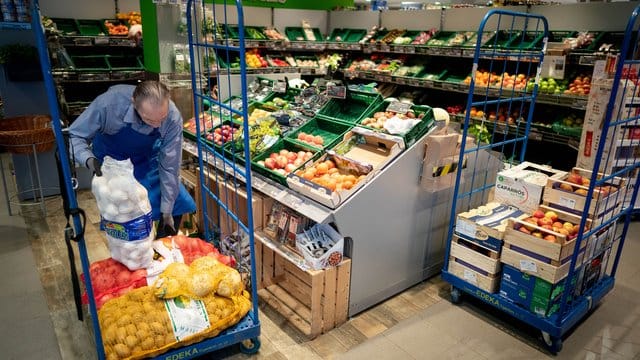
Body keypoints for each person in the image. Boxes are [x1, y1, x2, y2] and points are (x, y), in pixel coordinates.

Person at [68, 80, 196, 237]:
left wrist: (167, 211)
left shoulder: (172, 116)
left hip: (148, 159)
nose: (156, 126)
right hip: (111, 165)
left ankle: (162, 254)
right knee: (126, 217)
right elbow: (74, 135)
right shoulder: (108, 105)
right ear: (134, 103)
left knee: (177, 203)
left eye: (161, 120)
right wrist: (89, 160)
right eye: (149, 120)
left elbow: (170, 166)